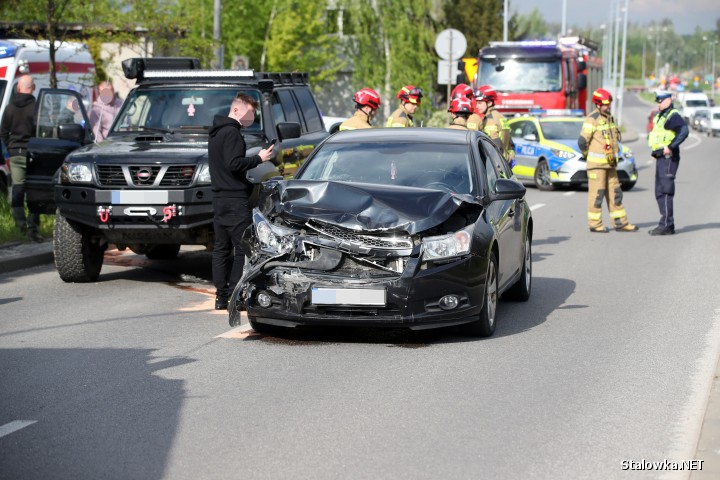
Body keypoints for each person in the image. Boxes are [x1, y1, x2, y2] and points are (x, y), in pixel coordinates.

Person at [208, 93, 275, 310]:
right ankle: (237, 296)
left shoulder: (216, 133)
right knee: (243, 248)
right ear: (237, 111)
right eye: (250, 113)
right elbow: (234, 163)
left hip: (218, 198)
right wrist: (259, 159)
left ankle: (221, 296)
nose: (251, 118)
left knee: (220, 248)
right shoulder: (232, 133)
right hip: (235, 200)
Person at [578, 88, 638, 233]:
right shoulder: (592, 119)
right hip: (597, 167)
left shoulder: (609, 117)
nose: (609, 106)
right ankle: (595, 224)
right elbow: (582, 142)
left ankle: (621, 223)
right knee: (597, 195)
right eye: (606, 104)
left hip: (610, 164)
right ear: (598, 104)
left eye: (609, 104)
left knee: (616, 193)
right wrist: (589, 155)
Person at [0, 74, 43, 242]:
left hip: (15, 153)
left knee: (18, 189)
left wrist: (8, 150)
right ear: (32, 88)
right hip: (33, 153)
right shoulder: (37, 107)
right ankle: (33, 227)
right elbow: (42, 131)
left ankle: (20, 226)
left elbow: (3, 132)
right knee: (35, 191)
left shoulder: (9, 108)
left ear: (18, 88)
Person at [647, 90, 689, 236]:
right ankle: (666, 223)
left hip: (669, 159)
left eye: (661, 100)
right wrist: (656, 152)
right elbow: (659, 137)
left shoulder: (673, 115)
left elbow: (684, 131)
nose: (659, 103)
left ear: (669, 100)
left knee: (665, 191)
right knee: (659, 191)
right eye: (658, 101)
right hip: (662, 158)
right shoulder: (661, 116)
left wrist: (670, 147)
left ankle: (666, 225)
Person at [476, 85, 515, 166]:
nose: (477, 106)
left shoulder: (490, 120)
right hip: (506, 162)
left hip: (497, 164)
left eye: (480, 103)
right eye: (476, 103)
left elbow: (495, 146)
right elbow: (510, 143)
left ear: (489, 103)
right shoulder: (501, 117)